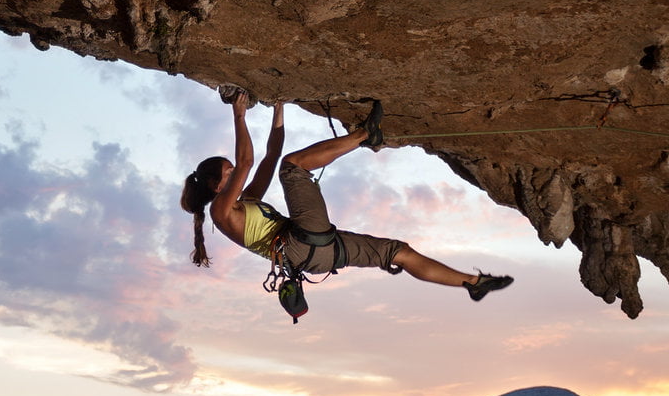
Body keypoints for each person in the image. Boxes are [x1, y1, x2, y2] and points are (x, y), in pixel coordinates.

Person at [179, 91, 513, 302]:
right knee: (292, 168)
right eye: (227, 173)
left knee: (400, 253)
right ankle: (367, 134)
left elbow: (269, 156)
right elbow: (248, 161)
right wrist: (239, 116)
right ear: (214, 186)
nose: (235, 173)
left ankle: (473, 282)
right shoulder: (222, 214)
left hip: (317, 255)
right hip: (300, 243)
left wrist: (279, 105)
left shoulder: (245, 202)